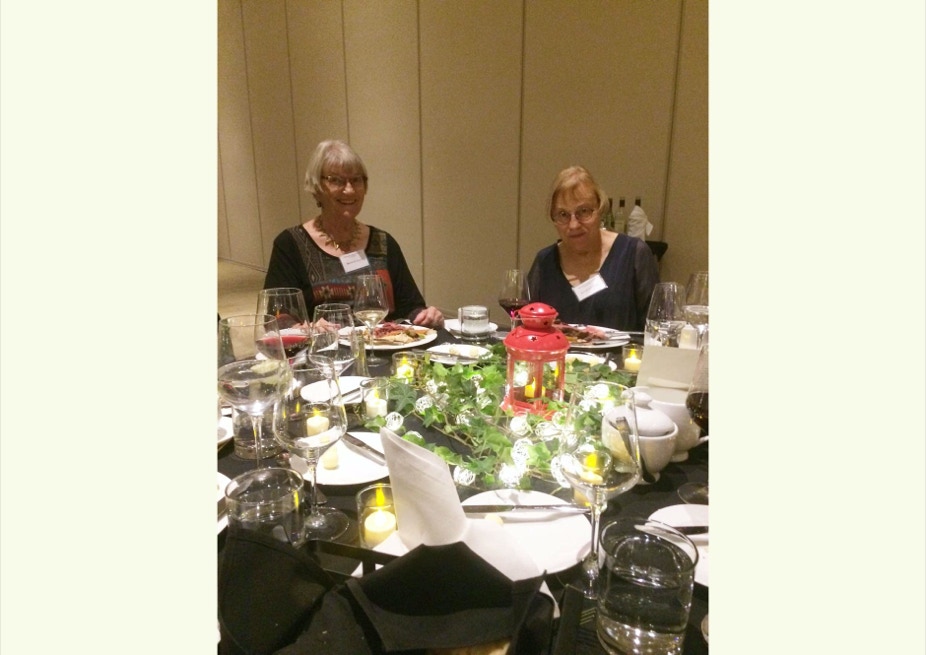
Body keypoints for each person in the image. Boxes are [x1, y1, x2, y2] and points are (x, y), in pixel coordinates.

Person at [263, 140, 444, 328]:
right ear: (316, 188)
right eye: (336, 180)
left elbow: (410, 307)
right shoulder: (290, 245)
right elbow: (276, 319)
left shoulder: (384, 243)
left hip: (383, 342)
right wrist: (306, 330)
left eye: (356, 180)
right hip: (325, 345)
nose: (349, 190)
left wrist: (426, 316)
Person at [527, 166, 659, 332]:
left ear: (600, 209)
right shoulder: (544, 262)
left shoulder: (634, 254)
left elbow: (656, 330)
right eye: (563, 214)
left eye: (583, 211)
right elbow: (527, 328)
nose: (573, 225)